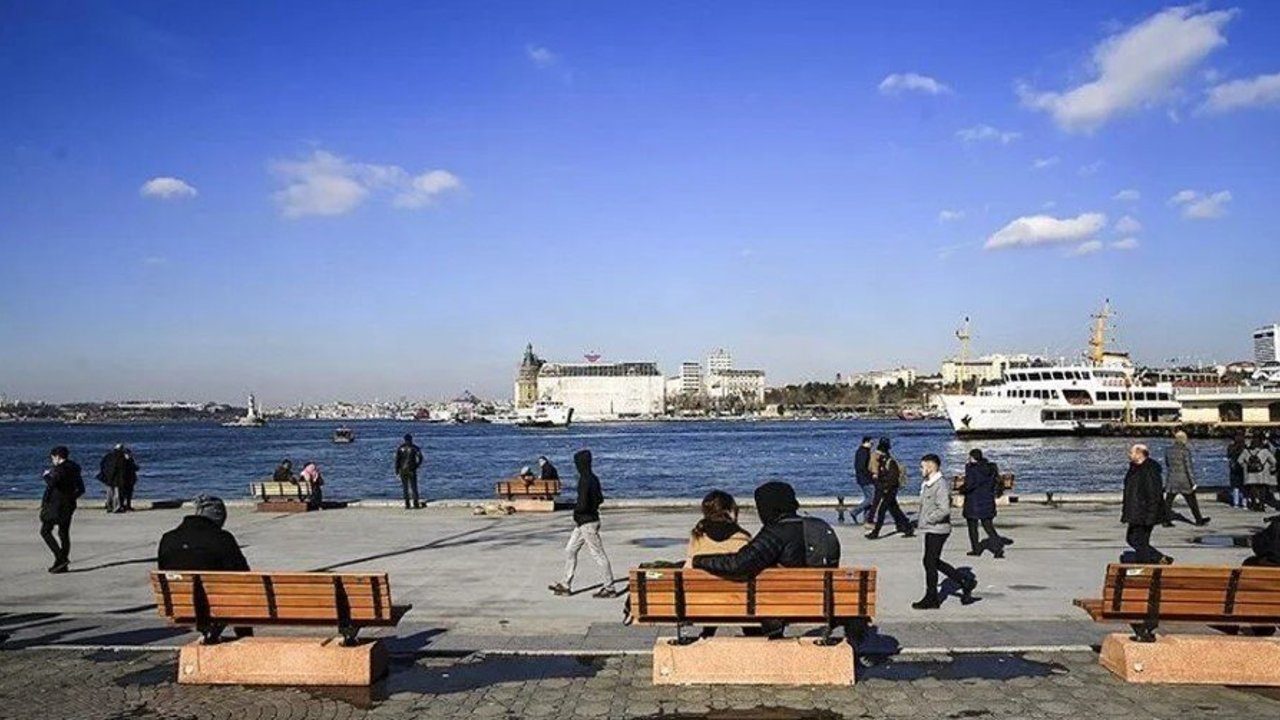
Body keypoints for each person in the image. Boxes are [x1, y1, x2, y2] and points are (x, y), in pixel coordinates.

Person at [157, 495, 253, 640]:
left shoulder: (168, 538)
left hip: (180, 604)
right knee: (240, 593)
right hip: (219, 604)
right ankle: (246, 638)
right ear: (218, 517)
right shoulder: (222, 538)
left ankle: (210, 635)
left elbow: (163, 568)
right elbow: (242, 573)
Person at [549, 449, 617, 598]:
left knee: (598, 554)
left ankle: (609, 587)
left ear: (581, 464)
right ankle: (565, 584)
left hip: (587, 523)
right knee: (570, 550)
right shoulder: (594, 479)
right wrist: (589, 508)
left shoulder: (584, 481)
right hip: (584, 522)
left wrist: (577, 510)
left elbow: (582, 503)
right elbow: (600, 499)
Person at [913, 454, 976, 609]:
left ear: (930, 466)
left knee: (929, 562)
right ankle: (964, 581)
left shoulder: (940, 484)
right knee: (932, 561)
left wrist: (928, 519)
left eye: (922, 466)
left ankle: (932, 598)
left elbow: (944, 509)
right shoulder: (928, 483)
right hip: (932, 528)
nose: (920, 469)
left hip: (938, 529)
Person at [1122, 444, 1172, 565]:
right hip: (1136, 511)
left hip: (1143, 513)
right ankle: (1158, 558)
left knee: (1138, 540)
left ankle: (1145, 564)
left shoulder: (1149, 470)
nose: (1129, 454)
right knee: (1133, 539)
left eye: (1132, 452)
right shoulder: (1135, 468)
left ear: (1140, 454)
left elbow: (1153, 494)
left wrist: (1151, 516)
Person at [39, 446, 84, 573]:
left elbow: (53, 484)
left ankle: (61, 558)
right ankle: (61, 564)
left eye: (52, 458)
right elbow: (81, 489)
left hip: (56, 505)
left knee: (45, 531)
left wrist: (46, 476)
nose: (52, 461)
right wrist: (71, 498)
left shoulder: (59, 470)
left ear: (57, 457)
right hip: (69, 505)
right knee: (63, 533)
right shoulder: (74, 469)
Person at [960, 449, 1007, 558]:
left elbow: (970, 485)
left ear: (972, 458)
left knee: (972, 528)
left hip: (973, 502)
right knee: (989, 527)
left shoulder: (972, 469)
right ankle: (998, 549)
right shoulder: (990, 468)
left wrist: (962, 489)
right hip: (987, 501)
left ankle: (976, 549)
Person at [866, 438, 913, 539]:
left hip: (890, 490)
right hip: (888, 489)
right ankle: (907, 527)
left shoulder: (889, 462)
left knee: (882, 511)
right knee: (895, 510)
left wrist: (886, 488)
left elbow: (892, 478)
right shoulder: (884, 461)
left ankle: (876, 532)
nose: (876, 455)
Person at [1163, 430, 1208, 526]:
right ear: (1184, 439)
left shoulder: (1168, 450)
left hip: (1172, 479)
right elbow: (1188, 467)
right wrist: (1193, 482)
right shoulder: (1185, 451)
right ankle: (1199, 520)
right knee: (1192, 501)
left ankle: (1166, 521)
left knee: (1168, 501)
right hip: (1184, 480)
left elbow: (1167, 464)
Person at [1241, 434, 1278, 512]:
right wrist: (1271, 468)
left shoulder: (1246, 451)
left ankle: (1254, 504)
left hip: (1250, 475)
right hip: (1262, 475)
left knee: (1252, 490)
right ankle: (1261, 504)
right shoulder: (1265, 451)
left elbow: (1239, 461)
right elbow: (1274, 461)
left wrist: (1246, 467)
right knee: (1262, 491)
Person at [850, 436, 877, 525]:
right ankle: (855, 511)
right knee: (871, 498)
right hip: (865, 479)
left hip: (863, 478)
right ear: (866, 442)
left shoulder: (862, 451)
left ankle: (867, 519)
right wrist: (871, 475)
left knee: (869, 498)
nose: (872, 445)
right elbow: (862, 467)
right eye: (871, 443)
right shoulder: (863, 452)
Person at [395, 434, 424, 509]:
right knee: (414, 487)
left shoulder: (400, 448)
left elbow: (397, 460)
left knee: (405, 487)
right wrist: (416, 466)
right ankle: (415, 503)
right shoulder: (415, 448)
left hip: (403, 469)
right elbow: (420, 458)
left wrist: (397, 470)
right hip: (411, 469)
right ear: (411, 439)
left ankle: (407, 504)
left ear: (404, 440)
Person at [97, 443, 128, 514]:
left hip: (108, 477)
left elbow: (102, 464)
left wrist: (105, 473)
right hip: (117, 478)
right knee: (117, 493)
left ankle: (109, 506)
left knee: (109, 493)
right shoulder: (121, 457)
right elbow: (124, 468)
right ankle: (116, 507)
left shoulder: (108, 456)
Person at [1227, 433, 1247, 509]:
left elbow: (1229, 455)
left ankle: (1236, 502)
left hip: (1234, 468)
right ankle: (1243, 502)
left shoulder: (1231, 447)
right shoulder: (1244, 447)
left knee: (1235, 486)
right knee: (1243, 486)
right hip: (1242, 468)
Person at [120, 447, 139, 511]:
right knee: (124, 494)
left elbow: (135, 468)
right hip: (126, 479)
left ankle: (127, 505)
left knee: (128, 494)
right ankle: (124, 505)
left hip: (129, 479)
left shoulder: (129, 460)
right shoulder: (125, 461)